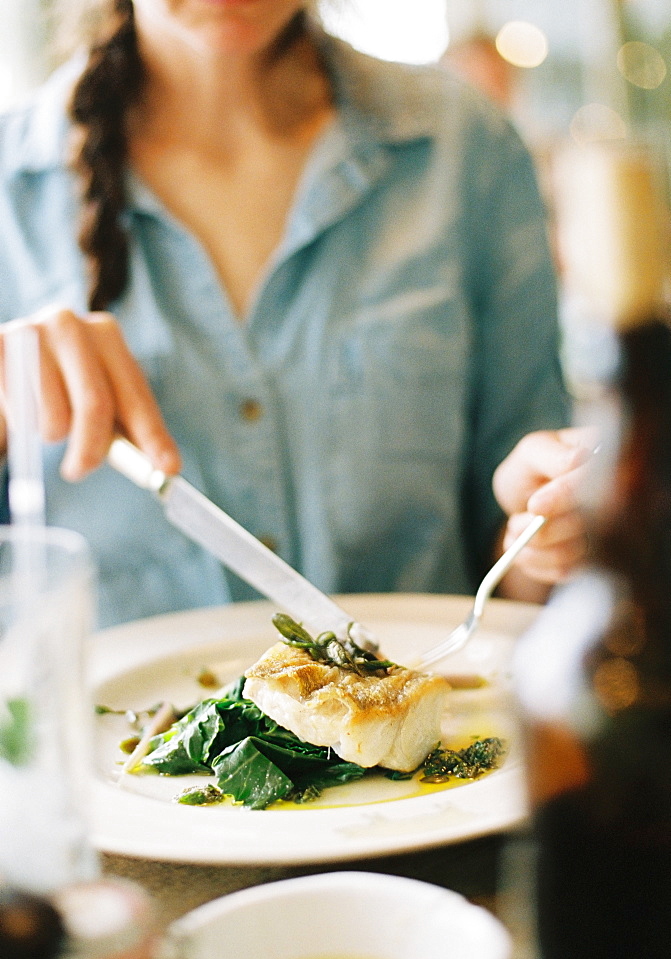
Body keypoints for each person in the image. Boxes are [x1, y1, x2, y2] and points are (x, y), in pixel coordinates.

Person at [0, 0, 589, 629]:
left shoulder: (466, 147)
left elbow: (520, 573)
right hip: (114, 727)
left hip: (429, 717)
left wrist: (549, 537)